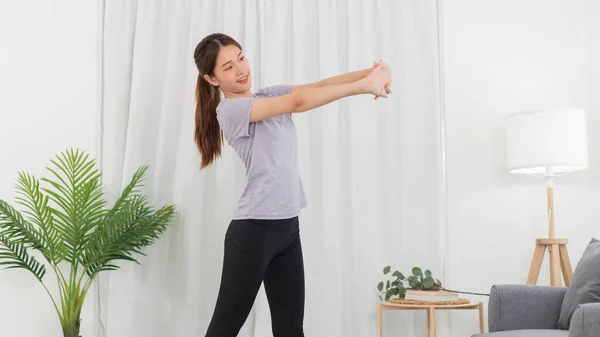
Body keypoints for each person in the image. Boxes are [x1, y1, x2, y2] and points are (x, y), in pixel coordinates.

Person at [192, 32, 392, 337]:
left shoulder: (268, 94)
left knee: (290, 330)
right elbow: (299, 102)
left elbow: (320, 86)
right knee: (225, 327)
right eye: (228, 67)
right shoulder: (230, 111)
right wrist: (365, 86)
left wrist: (372, 73)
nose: (241, 69)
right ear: (212, 79)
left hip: (287, 229)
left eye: (241, 58)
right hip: (253, 233)